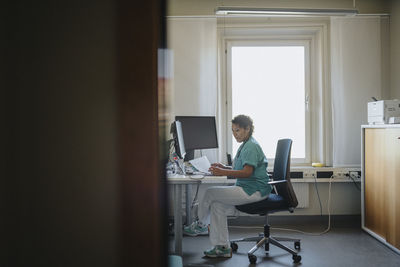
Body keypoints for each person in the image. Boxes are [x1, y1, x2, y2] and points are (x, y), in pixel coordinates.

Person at [183, 114, 272, 258]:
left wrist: (223, 171)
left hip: (254, 190)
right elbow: (242, 168)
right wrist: (224, 167)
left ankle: (200, 224)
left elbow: (247, 172)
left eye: (237, 130)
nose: (234, 134)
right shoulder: (246, 144)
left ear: (247, 128)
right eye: (233, 131)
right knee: (217, 205)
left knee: (211, 193)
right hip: (248, 188)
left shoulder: (251, 147)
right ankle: (222, 247)